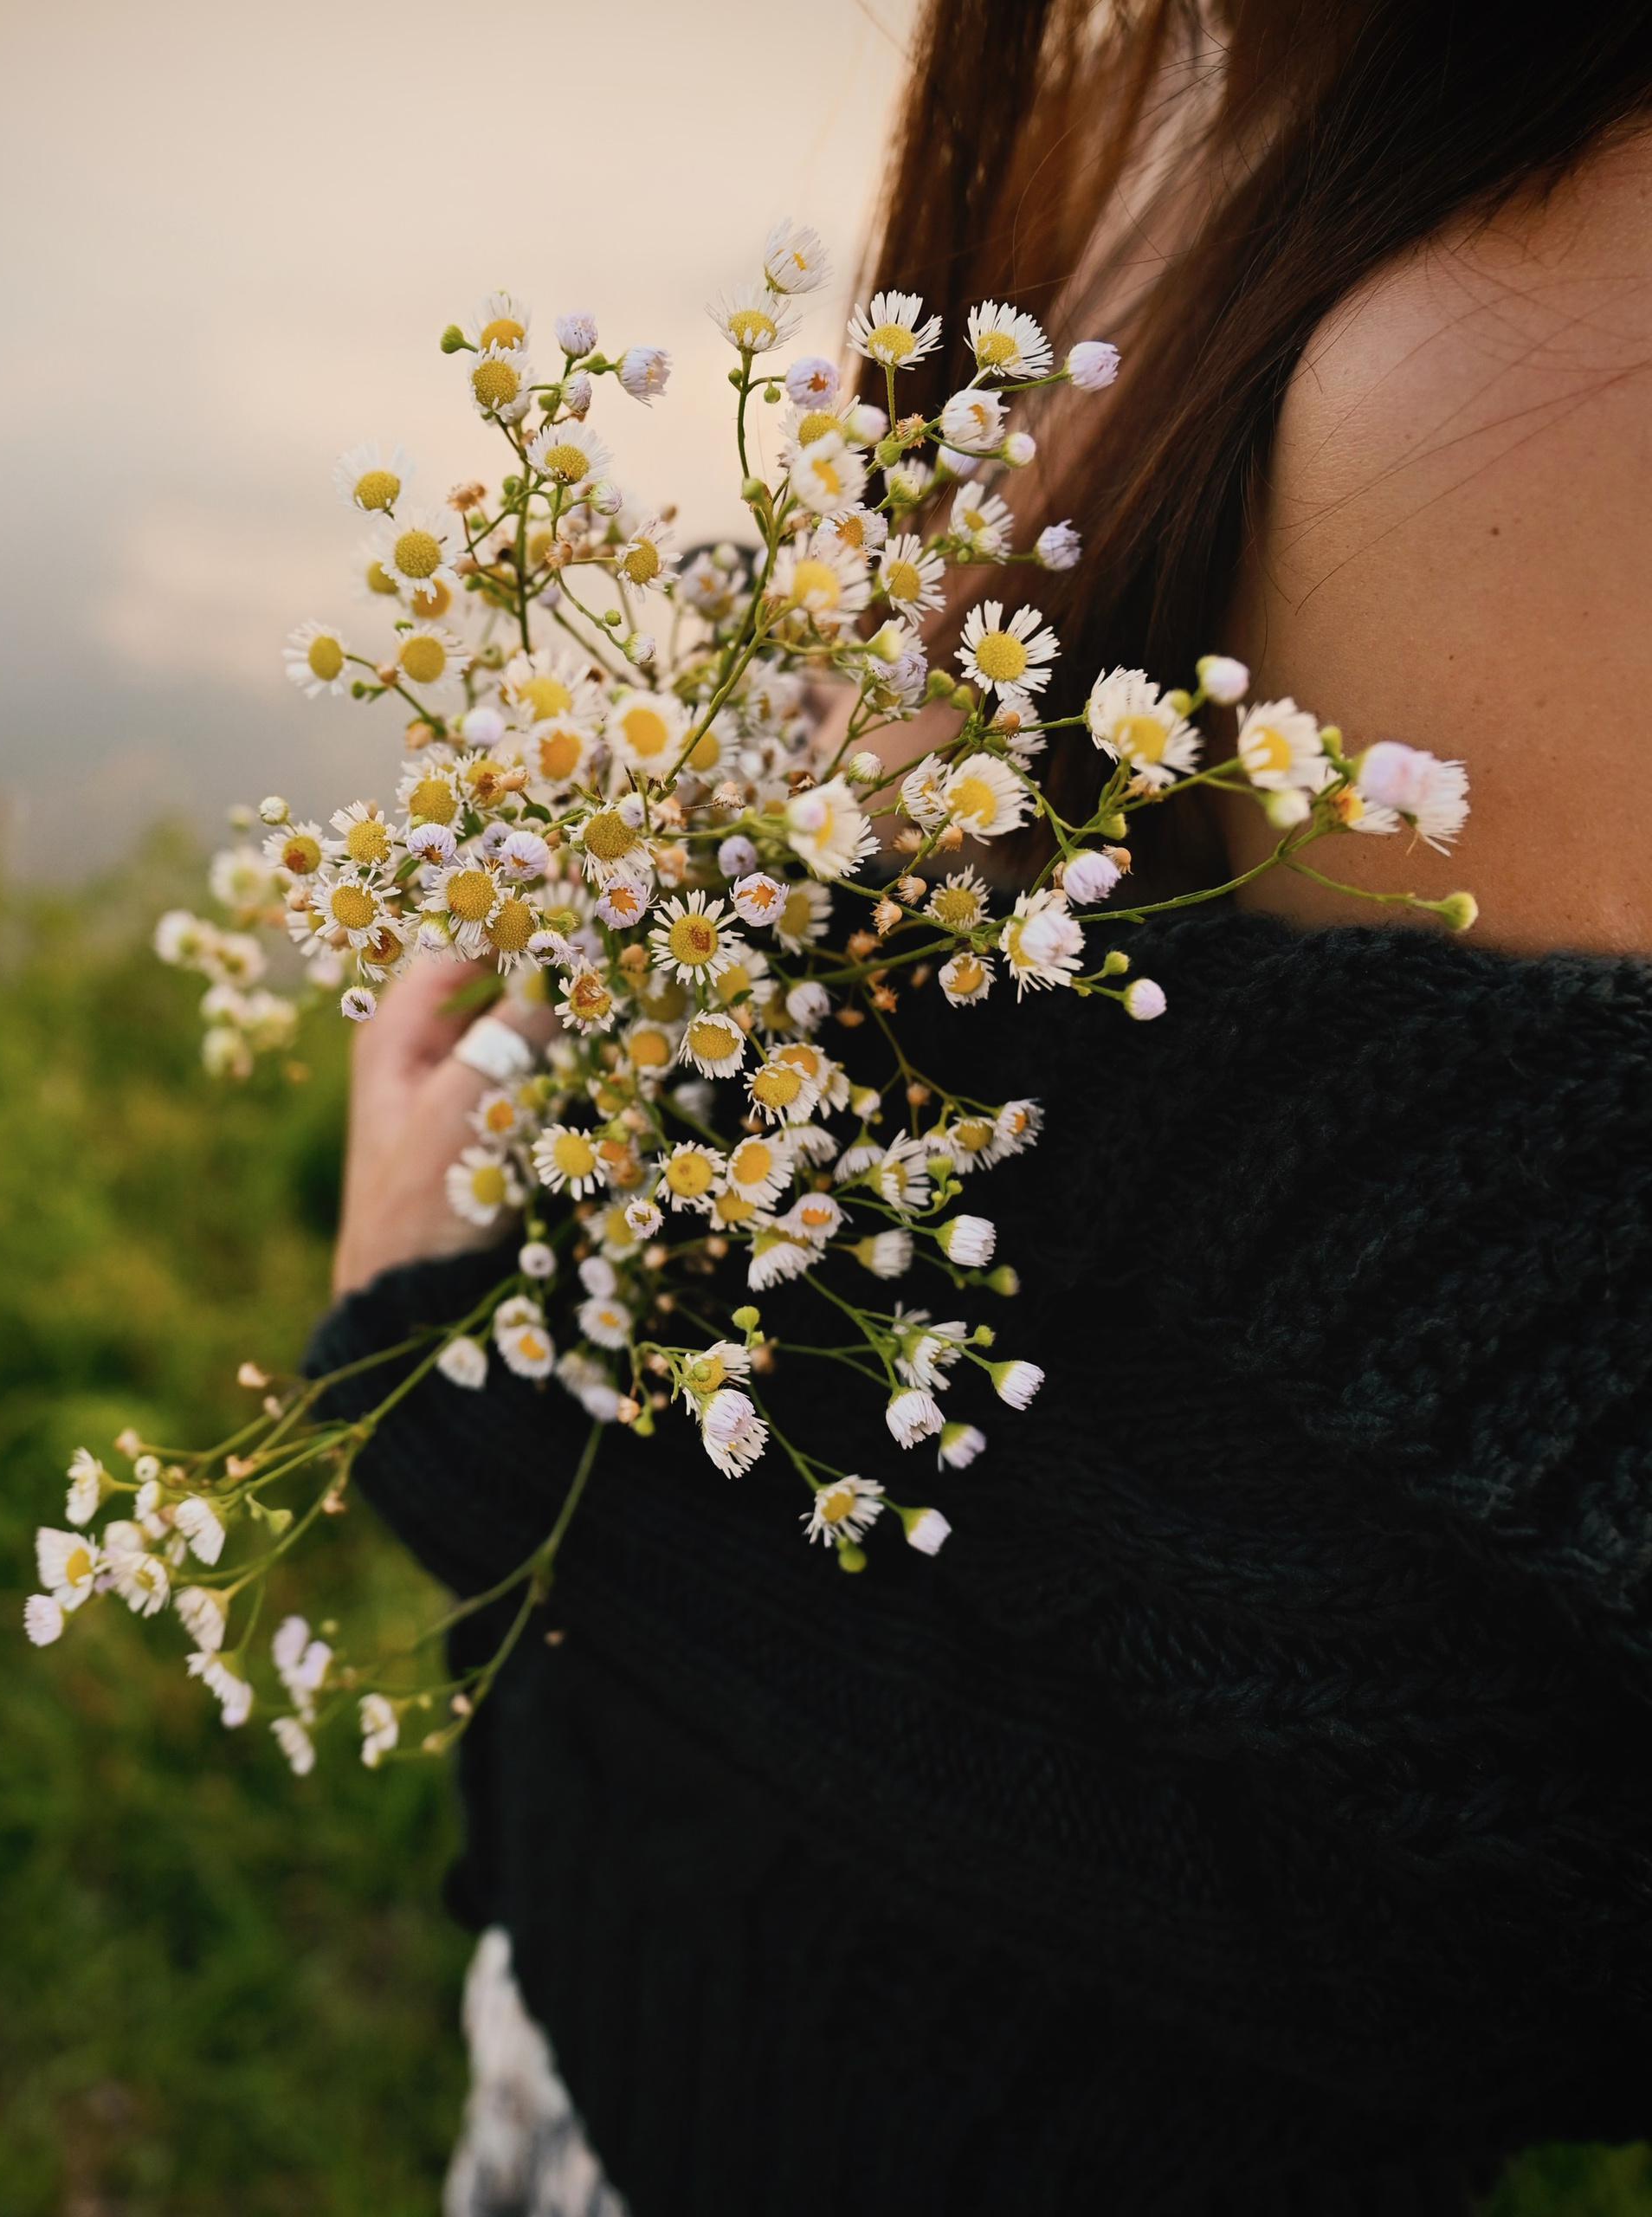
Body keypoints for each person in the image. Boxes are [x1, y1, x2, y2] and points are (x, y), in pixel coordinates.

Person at [311, 3, 1652, 2209]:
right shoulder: (1206, 80)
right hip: (662, 1943)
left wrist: (492, 1407)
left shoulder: (1512, 395)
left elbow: (1537, 1862)